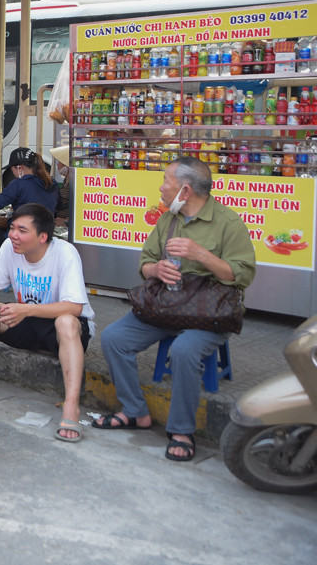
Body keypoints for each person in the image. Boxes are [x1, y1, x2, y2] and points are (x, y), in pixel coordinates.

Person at [93, 156, 255, 463]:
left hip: (209, 314)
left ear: (185, 190)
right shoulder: (168, 219)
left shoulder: (228, 223)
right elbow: (145, 262)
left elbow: (243, 275)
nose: (160, 187)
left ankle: (181, 431)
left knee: (183, 350)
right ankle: (134, 411)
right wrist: (157, 270)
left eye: (165, 181)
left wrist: (201, 255)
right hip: (167, 306)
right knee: (114, 338)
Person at [0, 203, 95, 442]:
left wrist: (26, 310)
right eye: (12, 228)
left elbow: (75, 307)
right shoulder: (9, 247)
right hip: (23, 322)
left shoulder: (65, 253)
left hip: (60, 331)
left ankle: (71, 407)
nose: (13, 235)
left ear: (43, 237)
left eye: (22, 230)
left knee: (66, 321)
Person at [0, 147, 58, 283]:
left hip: (25, 237)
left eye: (12, 169)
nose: (12, 172)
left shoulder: (19, 184)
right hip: (45, 236)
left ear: (19, 168)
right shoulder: (52, 183)